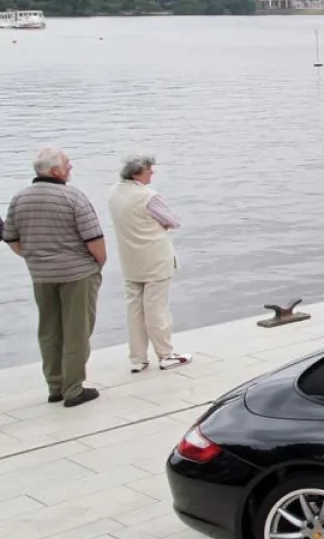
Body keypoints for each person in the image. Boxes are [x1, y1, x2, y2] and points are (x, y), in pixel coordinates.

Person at [3, 147, 106, 407]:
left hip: (41, 275)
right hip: (77, 274)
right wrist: (97, 265)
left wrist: (32, 257)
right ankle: (74, 389)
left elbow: (11, 238)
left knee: (49, 330)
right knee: (77, 331)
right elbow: (94, 240)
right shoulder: (72, 197)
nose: (70, 168)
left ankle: (55, 386)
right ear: (55, 170)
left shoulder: (19, 198)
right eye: (67, 164)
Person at [107, 154, 191, 372]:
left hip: (130, 258)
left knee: (134, 308)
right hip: (154, 257)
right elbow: (174, 221)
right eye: (148, 170)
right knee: (156, 308)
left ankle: (138, 358)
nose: (152, 172)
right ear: (137, 173)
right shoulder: (148, 197)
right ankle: (165, 354)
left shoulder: (114, 193)